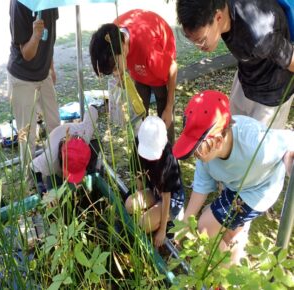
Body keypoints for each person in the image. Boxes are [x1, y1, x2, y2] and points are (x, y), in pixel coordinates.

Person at [172, 90, 294, 264]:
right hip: (237, 185)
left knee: (206, 225)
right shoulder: (204, 156)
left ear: (219, 141)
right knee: (220, 223)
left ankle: (227, 273)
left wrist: (288, 159)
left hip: (258, 191)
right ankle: (234, 258)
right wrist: (183, 225)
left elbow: (288, 140)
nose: (194, 154)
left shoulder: (255, 143)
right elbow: (201, 187)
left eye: (197, 147)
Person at [176, 0, 294, 129]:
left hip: (272, 94)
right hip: (247, 74)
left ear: (218, 17)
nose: (199, 47)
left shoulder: (260, 35)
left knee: (258, 146)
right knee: (231, 131)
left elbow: (291, 59)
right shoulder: (221, 9)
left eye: (201, 41)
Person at [89, 9, 178, 143]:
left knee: (163, 111)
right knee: (139, 113)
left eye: (116, 69)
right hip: (140, 67)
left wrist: (169, 106)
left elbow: (172, 68)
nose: (115, 74)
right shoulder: (111, 37)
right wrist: (120, 74)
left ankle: (168, 152)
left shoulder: (149, 52)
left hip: (159, 67)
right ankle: (141, 149)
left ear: (124, 47)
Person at [7, 0, 60, 180]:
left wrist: (51, 68)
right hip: (22, 78)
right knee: (27, 136)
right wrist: (35, 36)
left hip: (43, 74)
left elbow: (51, 37)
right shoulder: (19, 5)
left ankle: (55, 169)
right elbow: (27, 54)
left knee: (55, 125)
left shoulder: (52, 2)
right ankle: (28, 185)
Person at [125, 116, 185, 247]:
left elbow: (167, 196)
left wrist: (162, 230)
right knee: (130, 204)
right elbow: (139, 175)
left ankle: (170, 219)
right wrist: (141, 204)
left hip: (171, 198)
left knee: (143, 224)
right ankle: (153, 218)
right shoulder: (139, 143)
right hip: (154, 189)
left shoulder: (169, 157)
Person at [30, 106, 98, 193]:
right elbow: (33, 166)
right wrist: (40, 186)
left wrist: (94, 106)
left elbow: (92, 110)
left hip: (71, 130)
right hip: (53, 138)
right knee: (55, 185)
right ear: (61, 163)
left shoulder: (85, 132)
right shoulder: (51, 159)